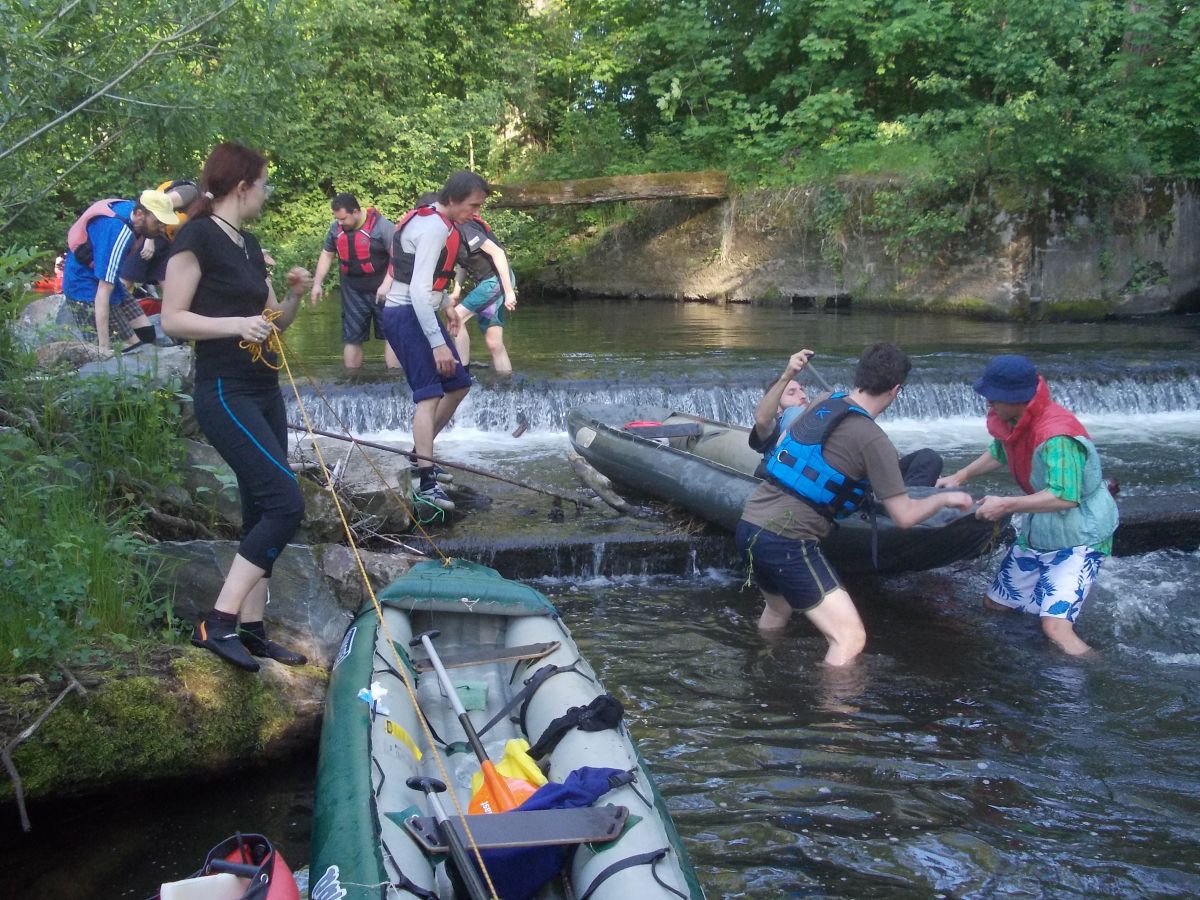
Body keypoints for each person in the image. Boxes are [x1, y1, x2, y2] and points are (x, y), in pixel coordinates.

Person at [161, 142, 311, 673]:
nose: (267, 193)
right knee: (286, 504)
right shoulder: (195, 237)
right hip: (224, 390)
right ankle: (217, 623)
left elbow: (271, 322)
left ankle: (252, 631)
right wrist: (232, 325)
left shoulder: (248, 244)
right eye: (265, 184)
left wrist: (292, 296)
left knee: (259, 511)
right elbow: (172, 319)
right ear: (242, 186)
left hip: (263, 389)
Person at [736, 343, 974, 666]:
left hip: (750, 524)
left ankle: (760, 675)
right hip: (786, 539)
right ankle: (834, 716)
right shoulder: (874, 440)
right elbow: (904, 516)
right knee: (849, 638)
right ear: (895, 390)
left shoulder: (824, 401)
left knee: (778, 609)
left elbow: (772, 428)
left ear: (859, 375)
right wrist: (945, 497)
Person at [936, 354, 1119, 655]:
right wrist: (960, 475)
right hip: (1041, 527)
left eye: (993, 397)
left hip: (1080, 535)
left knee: (1056, 629)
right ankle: (1023, 660)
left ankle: (1099, 673)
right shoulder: (1016, 419)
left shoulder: (1057, 436)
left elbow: (1065, 497)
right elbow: (1000, 451)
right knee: (995, 605)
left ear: (1017, 398)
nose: (987, 403)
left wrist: (1006, 505)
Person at [376, 171, 487, 512]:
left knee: (458, 383)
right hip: (406, 315)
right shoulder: (434, 228)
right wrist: (438, 342)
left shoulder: (436, 222)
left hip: (419, 309)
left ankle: (417, 456)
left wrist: (449, 306)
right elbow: (420, 294)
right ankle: (426, 481)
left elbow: (425, 288)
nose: (476, 213)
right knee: (429, 395)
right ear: (453, 199)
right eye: (473, 206)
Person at [749, 355, 944, 487]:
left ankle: (910, 503)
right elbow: (762, 419)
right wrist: (787, 375)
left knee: (928, 458)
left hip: (856, 470)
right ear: (776, 406)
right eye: (792, 392)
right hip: (818, 478)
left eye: (802, 390)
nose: (801, 395)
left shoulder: (826, 409)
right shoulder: (777, 423)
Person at [62, 189, 179, 353]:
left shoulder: (134, 211)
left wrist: (150, 240)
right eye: (158, 223)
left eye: (164, 224)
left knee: (147, 334)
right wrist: (103, 349)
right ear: (140, 214)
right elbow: (103, 292)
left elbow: (109, 280)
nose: (162, 229)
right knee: (131, 348)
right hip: (84, 287)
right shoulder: (119, 233)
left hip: (109, 280)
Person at [309, 193, 399, 369]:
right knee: (352, 337)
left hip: (384, 289)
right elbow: (327, 254)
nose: (340, 223)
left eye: (343, 218)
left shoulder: (382, 227)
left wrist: (387, 284)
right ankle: (351, 382)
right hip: (353, 291)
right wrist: (317, 283)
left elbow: (398, 257)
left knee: (392, 335)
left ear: (356, 212)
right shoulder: (336, 230)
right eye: (337, 219)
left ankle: (394, 381)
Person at [448, 211, 518, 375]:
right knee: (494, 343)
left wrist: (509, 292)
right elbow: (463, 265)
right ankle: (507, 384)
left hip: (496, 281)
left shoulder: (465, 227)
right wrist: (456, 292)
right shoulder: (450, 236)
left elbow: (498, 253)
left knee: (456, 317)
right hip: (486, 284)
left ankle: (463, 376)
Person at [120, 179, 200, 291]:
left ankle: (171, 306)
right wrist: (149, 239)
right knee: (127, 278)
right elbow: (157, 205)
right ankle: (110, 302)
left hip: (165, 241)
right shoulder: (190, 192)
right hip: (150, 232)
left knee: (170, 285)